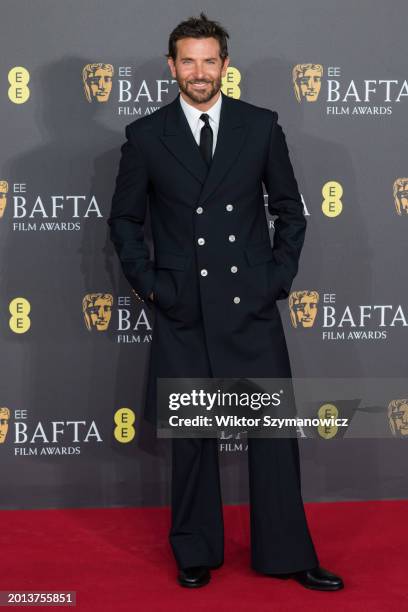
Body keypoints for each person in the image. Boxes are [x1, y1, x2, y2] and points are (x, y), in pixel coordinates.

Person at [107, 12, 344, 591]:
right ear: (172, 67)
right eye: (187, 60)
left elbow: (291, 210)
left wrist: (277, 278)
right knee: (192, 438)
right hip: (184, 309)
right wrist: (153, 285)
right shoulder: (146, 135)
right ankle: (194, 550)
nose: (199, 71)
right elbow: (126, 220)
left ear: (225, 66)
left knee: (273, 438)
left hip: (251, 306)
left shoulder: (260, 126)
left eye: (209, 60)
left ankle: (288, 553)